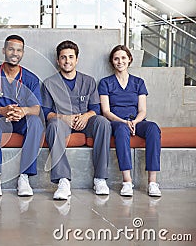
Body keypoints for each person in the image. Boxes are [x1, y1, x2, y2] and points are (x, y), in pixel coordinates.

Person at [42, 40, 111, 200]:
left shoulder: (88, 81)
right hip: (62, 123)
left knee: (103, 123)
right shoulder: (49, 83)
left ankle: (100, 178)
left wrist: (86, 116)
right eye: (63, 57)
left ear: (77, 59)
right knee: (53, 125)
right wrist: (63, 117)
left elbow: (96, 109)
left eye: (71, 57)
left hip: (85, 122)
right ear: (58, 60)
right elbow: (46, 112)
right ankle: (63, 180)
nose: (67, 61)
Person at [0, 35, 43, 197]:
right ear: (4, 50)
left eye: (19, 50)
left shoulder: (31, 78)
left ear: (22, 53)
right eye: (11, 49)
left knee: (35, 122)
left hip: (20, 121)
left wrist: (23, 111)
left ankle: (24, 177)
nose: (15, 53)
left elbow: (36, 108)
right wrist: (2, 110)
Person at [98, 45, 161, 197]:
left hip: (137, 121)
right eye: (116, 58)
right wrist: (124, 122)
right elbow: (106, 111)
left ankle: (152, 182)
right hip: (117, 121)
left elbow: (143, 110)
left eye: (123, 58)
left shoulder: (138, 82)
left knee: (153, 128)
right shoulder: (105, 83)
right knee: (121, 129)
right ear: (112, 62)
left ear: (129, 60)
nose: (120, 61)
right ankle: (127, 181)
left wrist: (135, 122)